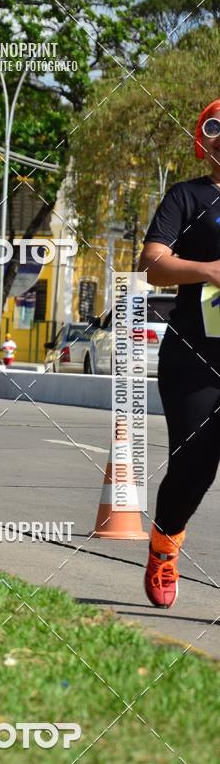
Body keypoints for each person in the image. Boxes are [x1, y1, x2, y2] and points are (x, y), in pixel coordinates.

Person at [139, 98, 220, 608]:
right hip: (196, 352)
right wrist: (210, 270)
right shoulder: (187, 197)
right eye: (215, 128)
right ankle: (165, 545)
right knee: (196, 463)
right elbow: (154, 264)